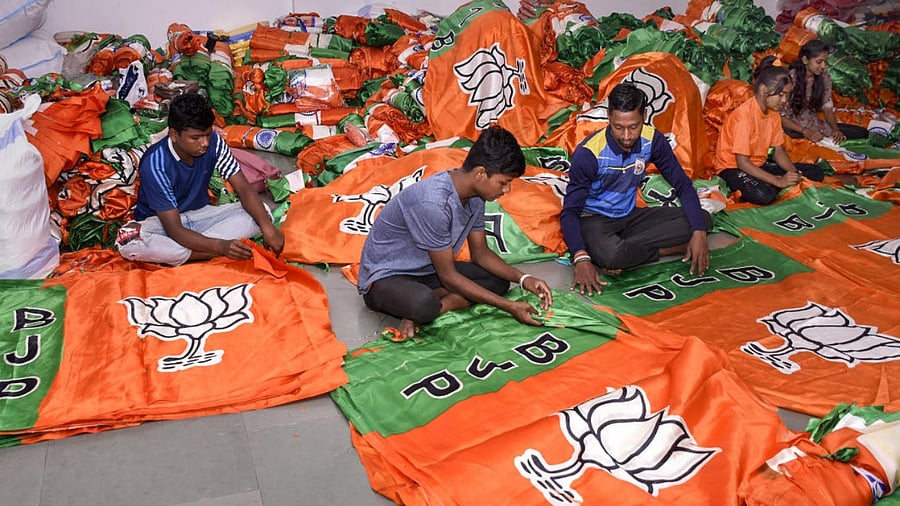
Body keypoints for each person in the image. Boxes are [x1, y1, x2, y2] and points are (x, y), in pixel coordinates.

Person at [357, 126, 553, 339]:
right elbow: (449, 277)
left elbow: (481, 254)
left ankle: (430, 308)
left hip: (428, 270)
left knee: (498, 281)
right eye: (503, 183)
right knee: (423, 304)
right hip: (386, 278)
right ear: (480, 173)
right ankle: (426, 308)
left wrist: (524, 278)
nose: (506, 190)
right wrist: (509, 306)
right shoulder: (433, 203)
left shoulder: (475, 197)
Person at [561, 82, 712, 297]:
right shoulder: (589, 153)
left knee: (703, 220)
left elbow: (682, 184)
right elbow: (569, 212)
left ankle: (623, 252)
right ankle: (663, 250)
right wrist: (581, 257)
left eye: (633, 126)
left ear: (644, 116)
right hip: (594, 219)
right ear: (609, 117)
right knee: (612, 254)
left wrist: (698, 233)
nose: (626, 136)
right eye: (618, 127)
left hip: (630, 216)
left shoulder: (653, 140)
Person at [117, 92, 283, 265]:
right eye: (195, 138)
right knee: (127, 240)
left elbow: (243, 188)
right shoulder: (155, 164)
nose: (204, 143)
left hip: (200, 217)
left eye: (207, 134)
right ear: (174, 135)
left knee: (262, 213)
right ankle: (203, 252)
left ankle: (190, 252)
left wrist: (268, 228)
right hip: (161, 226)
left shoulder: (215, 143)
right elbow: (174, 229)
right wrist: (221, 246)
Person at [715, 56, 825, 206]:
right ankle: (773, 185)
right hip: (733, 169)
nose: (784, 101)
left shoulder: (773, 115)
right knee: (763, 194)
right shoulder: (743, 117)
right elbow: (743, 163)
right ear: (763, 91)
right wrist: (777, 180)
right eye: (780, 95)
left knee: (815, 172)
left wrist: (794, 174)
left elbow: (779, 151)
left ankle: (774, 184)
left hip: (758, 165)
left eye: (787, 95)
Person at [781, 40, 868, 143]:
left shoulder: (824, 77)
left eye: (825, 62)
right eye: (819, 62)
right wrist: (805, 131)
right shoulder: (790, 79)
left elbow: (827, 108)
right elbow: (780, 117)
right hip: (793, 128)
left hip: (814, 124)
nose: (823, 66)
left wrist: (836, 130)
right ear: (805, 60)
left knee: (862, 133)